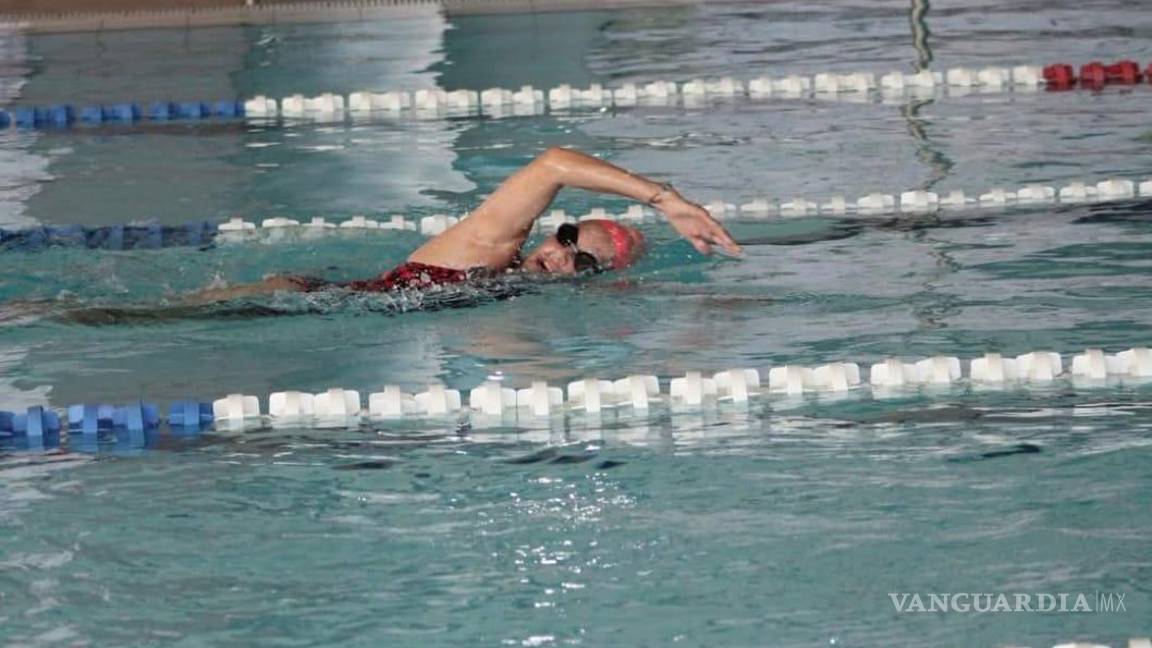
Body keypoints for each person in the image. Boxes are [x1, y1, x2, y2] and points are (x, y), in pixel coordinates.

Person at [188, 147, 741, 303]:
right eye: (569, 238)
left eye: (585, 261)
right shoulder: (493, 248)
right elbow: (553, 164)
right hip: (283, 299)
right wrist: (665, 200)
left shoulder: (517, 288)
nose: (564, 256)